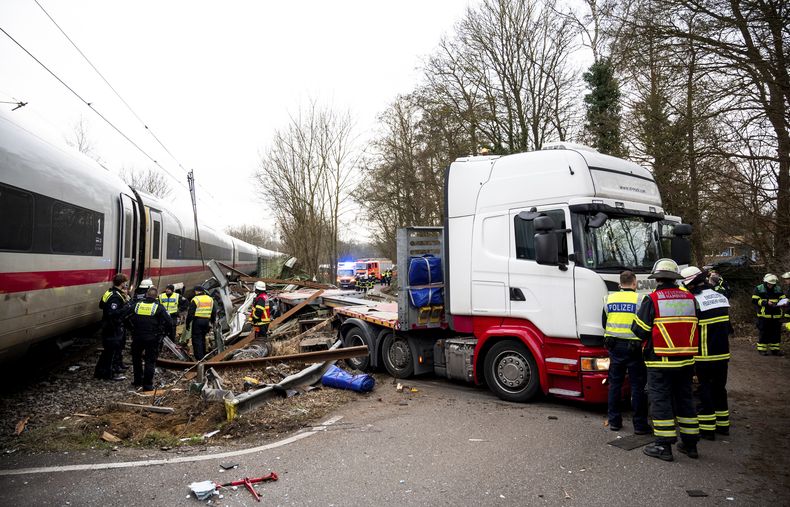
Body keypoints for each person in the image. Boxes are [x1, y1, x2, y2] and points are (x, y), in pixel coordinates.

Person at [632, 258, 700, 461]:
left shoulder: (652, 299)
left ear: (658, 278)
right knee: (685, 400)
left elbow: (640, 330)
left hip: (660, 361)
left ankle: (663, 446)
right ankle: (690, 444)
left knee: (661, 401)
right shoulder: (690, 298)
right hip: (686, 360)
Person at [681, 266, 732, 439]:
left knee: (705, 390)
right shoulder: (721, 297)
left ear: (692, 284)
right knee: (720, 388)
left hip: (704, 354)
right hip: (723, 353)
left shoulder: (694, 301)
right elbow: (728, 328)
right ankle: (723, 425)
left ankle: (707, 429)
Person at [602, 270, 649, 434]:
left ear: (620, 284)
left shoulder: (609, 298)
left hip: (614, 347)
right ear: (634, 283)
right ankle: (640, 426)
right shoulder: (641, 299)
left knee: (615, 384)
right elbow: (645, 325)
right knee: (637, 387)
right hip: (635, 348)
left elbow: (604, 322)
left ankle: (614, 422)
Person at [129, 286, 172, 390]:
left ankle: (137, 380)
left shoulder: (137, 305)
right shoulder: (159, 307)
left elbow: (125, 316)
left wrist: (131, 328)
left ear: (146, 295)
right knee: (150, 361)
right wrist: (164, 333)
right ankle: (147, 385)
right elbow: (169, 322)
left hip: (137, 337)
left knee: (136, 359)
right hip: (152, 338)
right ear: (156, 296)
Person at [94, 273, 131, 381]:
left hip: (108, 325)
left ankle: (100, 372)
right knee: (111, 351)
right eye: (125, 282)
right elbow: (113, 313)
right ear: (122, 283)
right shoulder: (116, 296)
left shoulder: (109, 292)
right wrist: (126, 307)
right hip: (112, 327)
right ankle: (109, 374)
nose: (126, 284)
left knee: (107, 351)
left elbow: (101, 305)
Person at [752, 273, 785, 355]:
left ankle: (775, 350)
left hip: (776, 315)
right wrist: (766, 303)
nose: (771, 285)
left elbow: (782, 298)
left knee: (776, 333)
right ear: (765, 282)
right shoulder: (759, 289)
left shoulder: (778, 288)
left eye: (772, 284)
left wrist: (783, 302)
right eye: (769, 284)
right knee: (764, 332)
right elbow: (755, 300)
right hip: (764, 315)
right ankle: (762, 350)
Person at [186, 285, 216, 360]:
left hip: (198, 321)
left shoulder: (196, 299)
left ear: (197, 291)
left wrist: (188, 323)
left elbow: (190, 313)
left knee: (196, 339)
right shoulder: (210, 299)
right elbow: (214, 311)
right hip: (206, 321)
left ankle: (199, 357)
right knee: (202, 337)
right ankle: (203, 354)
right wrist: (212, 321)